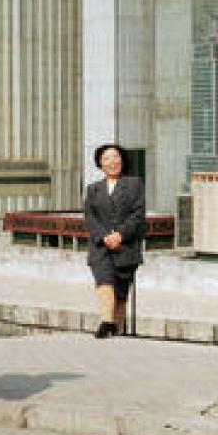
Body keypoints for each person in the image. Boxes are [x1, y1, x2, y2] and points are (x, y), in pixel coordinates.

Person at [82, 143, 144, 338]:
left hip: (125, 246)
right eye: (107, 158)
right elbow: (90, 217)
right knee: (104, 279)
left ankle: (116, 329)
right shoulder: (93, 189)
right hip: (100, 246)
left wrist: (120, 235)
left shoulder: (134, 184)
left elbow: (138, 214)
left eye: (116, 156)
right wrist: (104, 236)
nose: (112, 161)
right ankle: (106, 322)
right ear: (100, 163)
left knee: (121, 291)